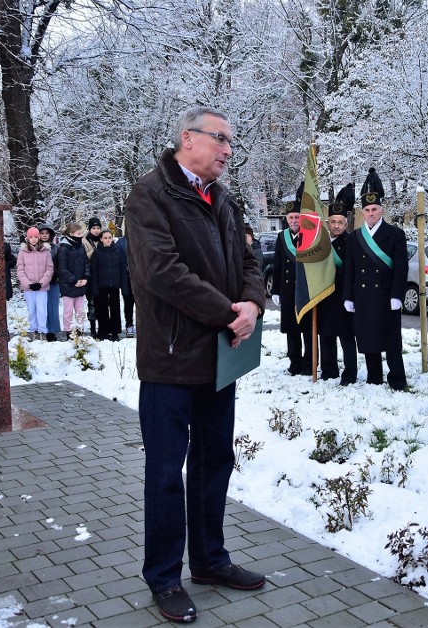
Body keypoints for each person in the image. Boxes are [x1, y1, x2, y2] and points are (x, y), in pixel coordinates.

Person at [125, 105, 266, 623]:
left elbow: (250, 261)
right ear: (188, 139)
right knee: (165, 472)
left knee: (214, 463)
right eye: (221, 139)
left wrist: (252, 302)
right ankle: (164, 577)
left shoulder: (224, 199)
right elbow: (163, 272)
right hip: (169, 362)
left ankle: (209, 561)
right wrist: (227, 312)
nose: (229, 150)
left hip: (219, 360)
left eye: (232, 142)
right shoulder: (149, 195)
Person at [343, 168, 408, 390]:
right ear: (363, 212)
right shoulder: (355, 237)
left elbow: (401, 268)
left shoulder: (395, 234)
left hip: (387, 295)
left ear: (381, 210)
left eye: (375, 209)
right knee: (368, 336)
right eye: (367, 210)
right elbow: (349, 269)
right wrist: (348, 296)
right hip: (363, 296)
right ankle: (374, 377)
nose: (371, 213)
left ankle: (397, 379)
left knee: (391, 340)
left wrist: (398, 295)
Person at [271, 182, 313, 375]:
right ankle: (294, 361)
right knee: (292, 329)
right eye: (291, 217)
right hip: (288, 290)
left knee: (307, 329)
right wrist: (276, 290)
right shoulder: (282, 237)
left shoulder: (311, 236)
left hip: (306, 290)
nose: (294, 220)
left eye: (297, 217)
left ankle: (309, 363)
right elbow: (278, 265)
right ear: (286, 219)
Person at [318, 205, 357, 384]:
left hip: (343, 296)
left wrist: (350, 297)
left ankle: (350, 374)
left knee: (346, 337)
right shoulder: (321, 243)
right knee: (325, 335)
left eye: (340, 222)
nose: (336, 226)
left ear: (346, 225)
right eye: (333, 222)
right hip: (324, 296)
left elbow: (353, 272)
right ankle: (328, 370)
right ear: (328, 223)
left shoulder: (352, 242)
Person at [89, 229, 128, 341]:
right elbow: (94, 271)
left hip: (114, 285)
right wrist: (95, 289)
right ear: (101, 239)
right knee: (102, 310)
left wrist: (124, 287)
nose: (107, 240)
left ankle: (115, 332)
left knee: (115, 309)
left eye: (109, 237)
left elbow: (122, 270)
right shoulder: (97, 252)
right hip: (102, 285)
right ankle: (103, 331)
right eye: (105, 238)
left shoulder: (117, 251)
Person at [16, 227, 54, 340]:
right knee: (31, 310)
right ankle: (34, 330)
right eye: (31, 237)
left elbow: (49, 269)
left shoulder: (45, 251)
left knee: (42, 310)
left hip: (41, 287)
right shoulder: (23, 252)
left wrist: (41, 283)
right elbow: (20, 270)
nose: (33, 239)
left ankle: (42, 331)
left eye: (35, 237)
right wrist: (28, 284)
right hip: (29, 288)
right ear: (27, 238)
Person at [57, 223, 90, 337]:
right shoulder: (63, 248)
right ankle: (68, 331)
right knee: (68, 311)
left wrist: (85, 278)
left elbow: (86, 263)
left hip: (81, 284)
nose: (81, 235)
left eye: (81, 233)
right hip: (69, 285)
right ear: (71, 234)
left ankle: (80, 330)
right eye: (79, 233)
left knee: (80, 311)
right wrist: (74, 280)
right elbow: (62, 268)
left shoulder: (81, 246)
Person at [38, 225, 62, 341]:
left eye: (46, 233)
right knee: (41, 307)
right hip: (39, 282)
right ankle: (43, 330)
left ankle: (52, 331)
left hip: (53, 281)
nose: (44, 235)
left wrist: (55, 275)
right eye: (42, 233)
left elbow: (59, 263)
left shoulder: (56, 248)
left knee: (53, 307)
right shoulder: (34, 248)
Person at [115, 224, 136, 337]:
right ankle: (129, 324)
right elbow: (118, 260)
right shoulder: (120, 243)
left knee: (141, 303)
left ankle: (141, 325)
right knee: (128, 302)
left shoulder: (141, 239)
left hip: (140, 278)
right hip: (126, 277)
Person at [83, 217, 102, 338]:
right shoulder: (84, 241)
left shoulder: (103, 239)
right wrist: (94, 251)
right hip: (90, 277)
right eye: (94, 228)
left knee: (103, 304)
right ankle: (93, 328)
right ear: (90, 229)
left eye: (98, 228)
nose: (96, 230)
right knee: (91, 304)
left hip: (102, 276)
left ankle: (102, 328)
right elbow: (83, 258)